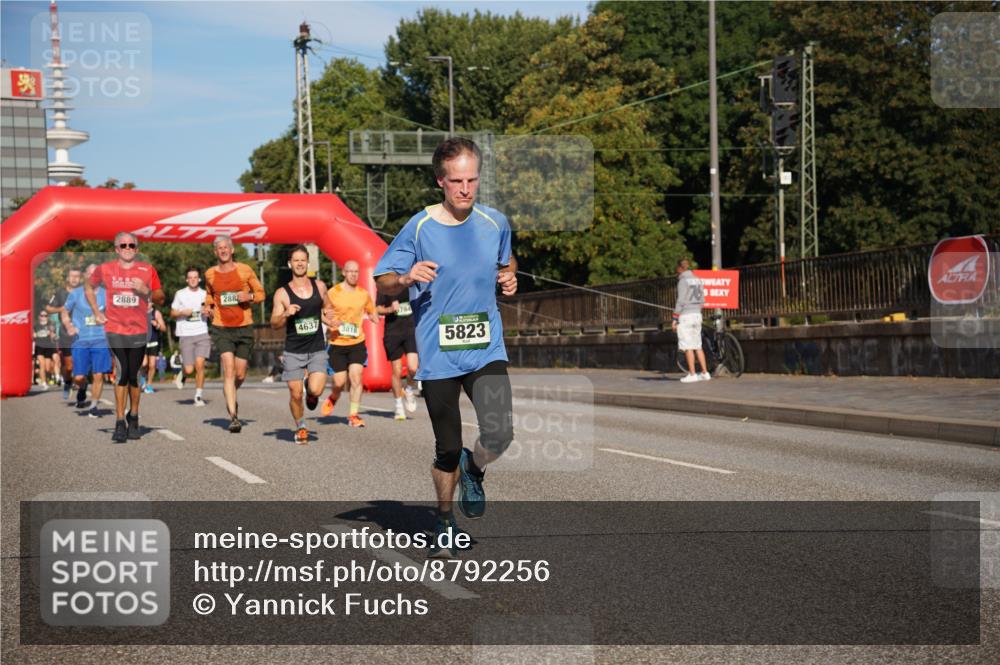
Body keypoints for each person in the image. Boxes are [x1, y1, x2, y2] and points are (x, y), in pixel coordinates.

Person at [374, 137, 518, 559]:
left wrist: (509, 278)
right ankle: (443, 520)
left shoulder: (495, 222)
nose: (466, 189)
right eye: (457, 181)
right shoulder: (419, 227)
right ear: (440, 180)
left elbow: (506, 262)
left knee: (500, 432)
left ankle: (475, 468)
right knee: (447, 449)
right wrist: (406, 277)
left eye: (472, 180)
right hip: (439, 355)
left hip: (486, 347)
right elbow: (383, 277)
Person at [86, 232, 165, 442]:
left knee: (134, 375)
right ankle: (120, 422)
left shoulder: (147, 270)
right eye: (123, 245)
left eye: (131, 245)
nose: (127, 248)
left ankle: (134, 417)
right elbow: (88, 287)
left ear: (137, 249)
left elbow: (161, 297)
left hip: (139, 330)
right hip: (115, 329)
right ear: (116, 249)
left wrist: (146, 290)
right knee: (121, 373)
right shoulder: (105, 269)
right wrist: (96, 311)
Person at [270, 245, 335, 444]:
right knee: (295, 394)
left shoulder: (320, 286)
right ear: (290, 264)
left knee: (316, 390)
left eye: (302, 260)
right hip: (294, 351)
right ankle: (300, 427)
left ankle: (310, 389)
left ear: (308, 262)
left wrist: (330, 316)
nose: (299, 263)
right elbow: (274, 324)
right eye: (295, 260)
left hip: (316, 348)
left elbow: (327, 307)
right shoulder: (282, 293)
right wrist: (285, 313)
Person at [204, 234, 265, 432]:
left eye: (226, 247)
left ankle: (231, 392)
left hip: (244, 327)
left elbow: (261, 294)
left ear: (232, 250)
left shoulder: (245, 270)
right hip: (221, 327)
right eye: (219, 248)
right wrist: (207, 307)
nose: (223, 250)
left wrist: (249, 296)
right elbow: (209, 295)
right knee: (228, 369)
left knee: (240, 373)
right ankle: (234, 416)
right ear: (215, 252)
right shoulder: (210, 274)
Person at [321, 260, 379, 428]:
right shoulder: (333, 292)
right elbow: (322, 313)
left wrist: (376, 317)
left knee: (356, 377)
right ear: (344, 273)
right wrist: (330, 321)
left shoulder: (363, 294)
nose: (354, 274)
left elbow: (372, 311)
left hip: (357, 342)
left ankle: (353, 415)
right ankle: (333, 397)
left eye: (356, 271)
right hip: (337, 342)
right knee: (339, 382)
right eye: (350, 271)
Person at [63, 263, 112, 416]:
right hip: (80, 339)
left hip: (100, 339)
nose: (93, 277)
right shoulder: (76, 293)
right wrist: (69, 325)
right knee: (79, 377)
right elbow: (64, 312)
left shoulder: (106, 294)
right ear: (85, 275)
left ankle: (94, 406)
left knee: (99, 374)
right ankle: (82, 386)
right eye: (90, 273)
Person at [375, 285, 420, 420]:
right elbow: (377, 308)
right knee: (397, 371)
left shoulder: (411, 283)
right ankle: (399, 406)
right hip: (393, 333)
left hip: (410, 330)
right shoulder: (385, 284)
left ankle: (409, 390)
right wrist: (390, 309)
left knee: (413, 368)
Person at [169, 267, 210, 406]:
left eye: (195, 277)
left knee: (200, 365)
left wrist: (208, 312)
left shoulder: (205, 294)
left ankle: (198, 396)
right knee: (189, 369)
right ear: (187, 279)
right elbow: (172, 313)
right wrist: (182, 313)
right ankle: (183, 373)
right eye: (190, 277)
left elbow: (212, 312)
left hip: (202, 332)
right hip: (185, 334)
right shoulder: (180, 294)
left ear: (199, 279)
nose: (193, 280)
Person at [672, 258, 710, 383]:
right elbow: (703, 300)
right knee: (697, 345)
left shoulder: (683, 280)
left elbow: (681, 300)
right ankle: (705, 373)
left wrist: (675, 318)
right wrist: (696, 309)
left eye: (676, 269)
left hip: (686, 316)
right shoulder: (698, 279)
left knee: (688, 346)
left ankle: (692, 374)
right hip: (697, 314)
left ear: (680, 268)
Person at [47, 267, 81, 398]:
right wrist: (62, 308)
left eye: (77, 276)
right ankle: (67, 382)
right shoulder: (60, 293)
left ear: (80, 278)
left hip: (82, 333)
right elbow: (48, 308)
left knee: (80, 362)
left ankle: (80, 388)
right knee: (69, 366)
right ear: (67, 278)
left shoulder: (84, 292)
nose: (74, 279)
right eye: (72, 276)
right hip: (66, 334)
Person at [141, 303, 167, 393]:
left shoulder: (156, 313)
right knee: (144, 364)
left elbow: (164, 328)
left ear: (152, 303)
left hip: (153, 342)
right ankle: (142, 379)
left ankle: (149, 385)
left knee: (152, 365)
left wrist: (157, 325)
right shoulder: (139, 312)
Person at [33, 311, 58, 389]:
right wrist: (34, 335)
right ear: (39, 317)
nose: (43, 317)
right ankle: (44, 383)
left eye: (45, 316)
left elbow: (54, 336)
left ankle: (50, 378)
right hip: (39, 347)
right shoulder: (35, 326)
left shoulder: (50, 325)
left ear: (48, 317)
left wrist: (52, 334)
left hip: (48, 347)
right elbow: (32, 335)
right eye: (42, 315)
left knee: (48, 368)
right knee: (42, 364)